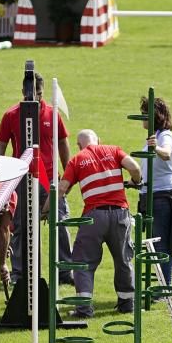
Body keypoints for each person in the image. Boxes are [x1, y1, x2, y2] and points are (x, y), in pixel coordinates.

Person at [0, 72, 72, 285]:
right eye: (30, 95)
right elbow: (1, 147)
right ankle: (20, 274)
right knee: (19, 227)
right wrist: (3, 180)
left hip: (49, 179)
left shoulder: (52, 114)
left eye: (38, 94)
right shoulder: (11, 115)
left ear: (43, 92)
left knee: (61, 224)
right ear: (22, 93)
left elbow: (63, 143)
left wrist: (68, 176)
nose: (34, 99)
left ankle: (65, 272)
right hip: (20, 180)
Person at [58, 129, 142, 318]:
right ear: (99, 140)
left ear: (80, 146)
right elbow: (134, 168)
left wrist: (47, 209)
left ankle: (84, 309)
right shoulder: (114, 150)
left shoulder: (78, 159)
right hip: (120, 214)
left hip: (93, 217)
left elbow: (62, 188)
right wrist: (136, 181)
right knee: (123, 260)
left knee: (83, 262)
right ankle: (127, 304)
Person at [137, 96, 172, 287]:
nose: (142, 117)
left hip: (161, 196)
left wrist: (155, 147)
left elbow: (166, 153)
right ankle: (161, 286)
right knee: (154, 244)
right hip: (150, 194)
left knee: (161, 246)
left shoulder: (165, 136)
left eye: (145, 114)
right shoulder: (155, 136)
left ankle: (164, 287)